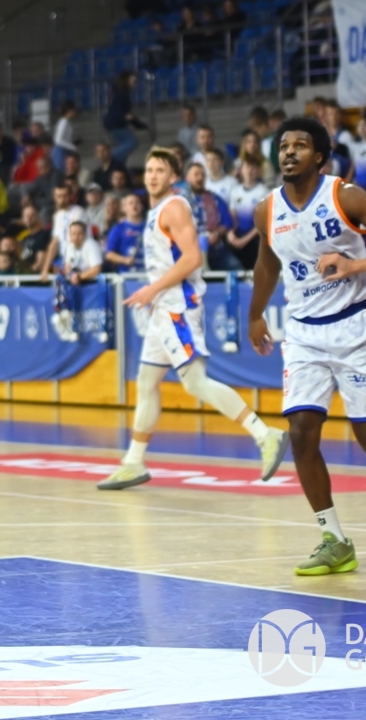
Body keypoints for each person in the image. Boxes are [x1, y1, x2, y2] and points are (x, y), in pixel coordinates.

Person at [246, 116, 366, 575]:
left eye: (299, 145)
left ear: (320, 157)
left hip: (353, 327)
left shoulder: (346, 196)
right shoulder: (266, 210)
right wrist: (254, 314)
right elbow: (267, 265)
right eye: (283, 146)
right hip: (303, 334)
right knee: (300, 434)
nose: (289, 152)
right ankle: (334, 538)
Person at [97, 148, 287, 490]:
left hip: (177, 307)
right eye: (149, 170)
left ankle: (265, 434)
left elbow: (192, 258)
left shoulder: (174, 207)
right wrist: (155, 295)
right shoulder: (157, 211)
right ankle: (134, 462)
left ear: (173, 177)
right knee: (146, 382)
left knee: (195, 383)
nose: (152, 175)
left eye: (160, 170)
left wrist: (152, 290)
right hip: (163, 309)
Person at [226, 158, 270, 270]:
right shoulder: (235, 191)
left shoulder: (263, 192)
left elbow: (262, 222)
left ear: (258, 171)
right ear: (241, 170)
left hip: (254, 238)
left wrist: (245, 240)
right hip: (238, 235)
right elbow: (232, 216)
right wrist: (230, 234)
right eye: (246, 167)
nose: (249, 171)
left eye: (253, 168)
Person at [102, 71, 146, 168]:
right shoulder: (123, 95)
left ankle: (118, 165)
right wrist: (138, 124)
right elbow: (123, 113)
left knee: (124, 145)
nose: (135, 82)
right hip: (116, 123)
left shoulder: (121, 93)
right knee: (132, 142)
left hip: (113, 122)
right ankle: (110, 157)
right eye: (132, 79)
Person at [104, 193, 146, 272]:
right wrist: (125, 260)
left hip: (149, 273)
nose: (134, 205)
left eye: (137, 202)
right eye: (131, 203)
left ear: (142, 206)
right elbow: (109, 254)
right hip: (127, 275)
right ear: (124, 208)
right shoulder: (118, 228)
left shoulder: (150, 227)